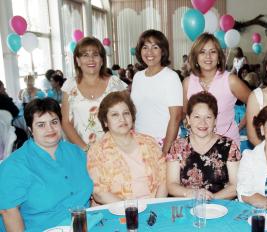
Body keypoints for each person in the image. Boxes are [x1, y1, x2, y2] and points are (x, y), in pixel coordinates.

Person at [0, 98, 93, 231]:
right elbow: (9, 212)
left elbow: (93, 193)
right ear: (30, 129)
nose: (50, 129)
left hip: (87, 224)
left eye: (54, 122)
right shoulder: (14, 166)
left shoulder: (76, 152)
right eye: (41, 124)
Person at [87, 92, 167, 204]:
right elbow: (99, 193)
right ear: (105, 121)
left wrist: (156, 208)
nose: (122, 119)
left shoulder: (149, 142)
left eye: (126, 113)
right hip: (120, 211)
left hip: (154, 209)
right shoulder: (97, 151)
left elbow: (164, 179)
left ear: (132, 117)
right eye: (115, 115)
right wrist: (131, 209)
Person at [167, 92, 240, 200]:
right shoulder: (177, 146)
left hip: (221, 206)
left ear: (215, 120)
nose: (203, 123)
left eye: (208, 117)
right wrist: (193, 194)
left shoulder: (229, 146)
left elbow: (235, 186)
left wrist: (211, 199)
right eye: (197, 117)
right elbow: (171, 185)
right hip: (187, 205)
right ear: (188, 119)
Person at [184, 33, 250, 146]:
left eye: (213, 52)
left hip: (228, 145)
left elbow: (255, 103)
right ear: (195, 57)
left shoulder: (231, 81)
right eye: (202, 52)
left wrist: (240, 126)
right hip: (197, 145)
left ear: (219, 57)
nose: (208, 56)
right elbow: (186, 115)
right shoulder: (188, 82)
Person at [61, 37, 127, 150]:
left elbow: (128, 116)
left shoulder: (115, 84)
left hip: (113, 150)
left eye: (95, 55)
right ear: (78, 60)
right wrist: (86, 149)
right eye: (85, 55)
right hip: (79, 151)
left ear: (102, 60)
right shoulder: (70, 85)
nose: (91, 59)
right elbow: (66, 122)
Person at [131, 29, 182, 155]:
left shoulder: (171, 77)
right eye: (145, 47)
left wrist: (165, 151)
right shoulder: (138, 77)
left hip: (162, 142)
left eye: (155, 47)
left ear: (162, 50)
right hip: (138, 141)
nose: (149, 52)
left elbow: (175, 118)